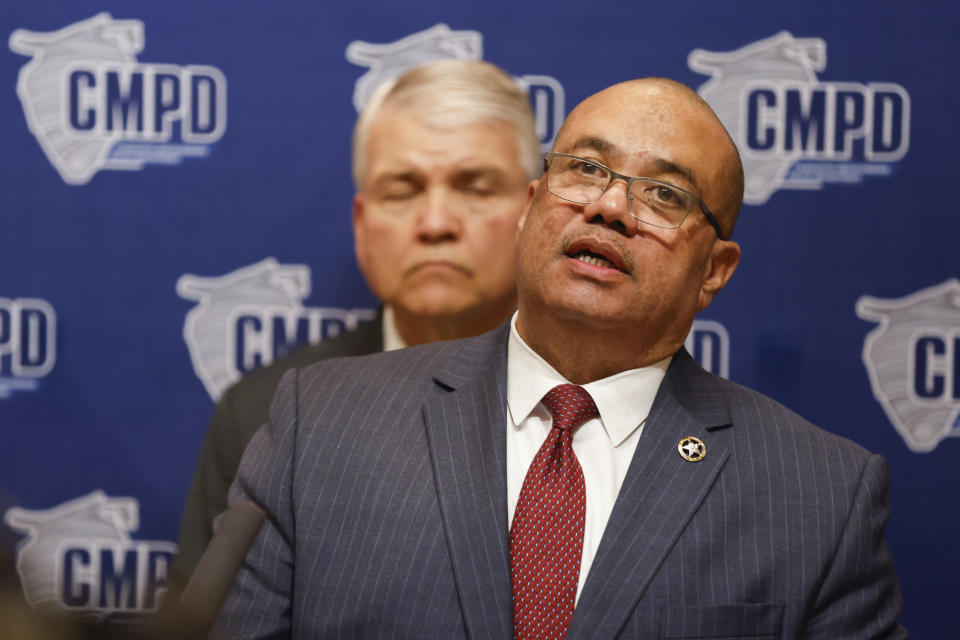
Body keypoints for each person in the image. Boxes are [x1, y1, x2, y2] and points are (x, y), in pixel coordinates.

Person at [213, 78, 907, 639]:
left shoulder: (820, 496)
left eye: (664, 194)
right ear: (533, 205)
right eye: (584, 169)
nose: (609, 206)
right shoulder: (323, 422)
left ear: (715, 270)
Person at [174, 59, 541, 577]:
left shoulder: (586, 403)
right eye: (402, 190)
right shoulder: (265, 414)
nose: (436, 223)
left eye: (476, 187)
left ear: (533, 212)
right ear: (363, 226)